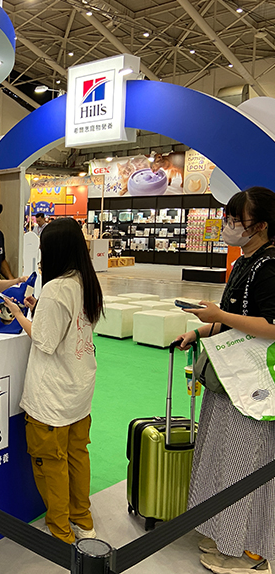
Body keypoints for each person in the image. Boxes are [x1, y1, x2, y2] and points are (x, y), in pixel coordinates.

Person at [175, 186, 275, 574]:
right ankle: (225, 534)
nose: (229, 225)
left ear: (261, 225)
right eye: (228, 217)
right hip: (229, 379)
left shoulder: (269, 266)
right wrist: (199, 331)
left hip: (254, 386)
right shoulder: (244, 262)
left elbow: (270, 326)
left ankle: (252, 552)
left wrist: (219, 316)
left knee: (247, 464)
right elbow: (233, 318)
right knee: (221, 458)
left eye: (237, 219)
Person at [2, 218, 103, 544]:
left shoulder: (56, 288)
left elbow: (45, 340)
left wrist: (20, 315)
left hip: (52, 395)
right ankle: (82, 519)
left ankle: (61, 531)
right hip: (79, 389)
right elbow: (69, 325)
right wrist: (39, 308)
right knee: (77, 455)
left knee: (51, 463)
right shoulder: (85, 280)